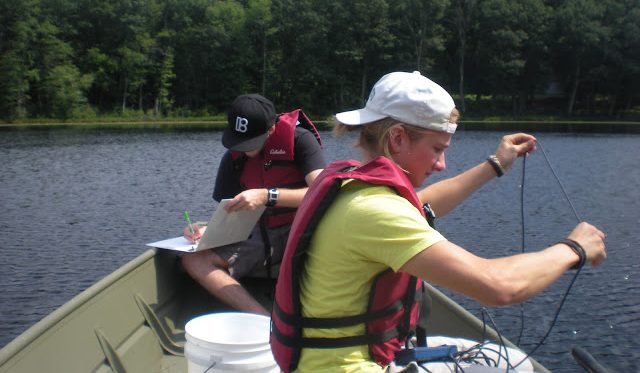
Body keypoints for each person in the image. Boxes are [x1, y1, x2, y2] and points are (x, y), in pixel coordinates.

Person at [270, 71, 607, 372]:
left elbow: (424, 204)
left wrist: (496, 163)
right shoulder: (375, 211)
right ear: (398, 138)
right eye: (437, 149)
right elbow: (498, 286)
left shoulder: (353, 187)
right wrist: (574, 248)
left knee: (512, 362)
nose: (442, 163)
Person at [182, 94, 326, 316]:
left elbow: (321, 193)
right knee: (194, 260)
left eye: (251, 141)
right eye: (240, 141)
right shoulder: (233, 157)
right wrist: (207, 231)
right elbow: (229, 211)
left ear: (270, 130)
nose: (244, 148)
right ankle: (262, 318)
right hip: (258, 233)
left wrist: (267, 196)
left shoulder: (300, 140)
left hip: (303, 231)